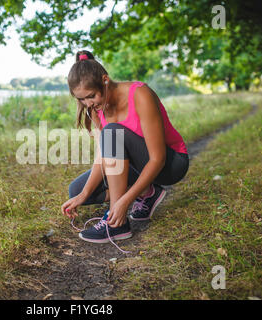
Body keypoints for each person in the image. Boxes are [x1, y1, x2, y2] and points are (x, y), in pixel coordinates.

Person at [60, 50, 189, 244]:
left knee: (112, 132)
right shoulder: (95, 109)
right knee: (76, 190)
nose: (87, 103)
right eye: (81, 99)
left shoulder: (140, 94)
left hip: (170, 164)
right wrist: (84, 194)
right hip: (138, 166)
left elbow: (158, 158)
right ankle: (149, 193)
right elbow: (104, 156)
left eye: (91, 96)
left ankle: (117, 225)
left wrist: (124, 202)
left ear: (105, 80)